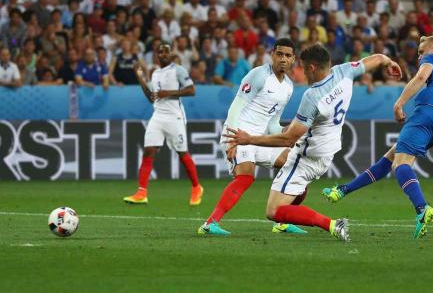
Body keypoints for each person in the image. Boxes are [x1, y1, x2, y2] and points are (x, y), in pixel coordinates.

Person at [224, 45, 402, 241]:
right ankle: (293, 224)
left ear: (312, 68)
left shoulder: (313, 96)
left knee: (273, 211)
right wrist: (389, 62)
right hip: (327, 154)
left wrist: (249, 139)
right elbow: (376, 59)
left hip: (306, 157)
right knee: (289, 198)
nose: (301, 72)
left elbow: (289, 139)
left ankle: (332, 224)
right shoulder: (345, 72)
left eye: (303, 67)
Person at [322, 35, 433, 239]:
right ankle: (343, 190)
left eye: (421, 52)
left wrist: (399, 103)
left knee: (400, 164)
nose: (419, 56)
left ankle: (422, 209)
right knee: (392, 157)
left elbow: (420, 77)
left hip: (429, 111)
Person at [199, 39, 304, 236]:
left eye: (287, 56)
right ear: (272, 54)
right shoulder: (258, 75)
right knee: (246, 177)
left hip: (259, 139)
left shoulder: (288, 87)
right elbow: (235, 109)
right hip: (239, 134)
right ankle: (210, 224)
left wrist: (287, 132)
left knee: (297, 168)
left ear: (293, 60)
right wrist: (232, 140)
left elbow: (273, 122)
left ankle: (283, 219)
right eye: (279, 54)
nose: (283, 59)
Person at [123, 44, 204, 206]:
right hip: (158, 115)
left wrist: (169, 93)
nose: (164, 54)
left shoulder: (178, 70)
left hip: (175, 117)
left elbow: (191, 90)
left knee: (182, 153)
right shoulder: (155, 74)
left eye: (167, 51)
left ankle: (196, 187)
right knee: (148, 151)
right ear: (157, 56)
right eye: (160, 52)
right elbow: (151, 97)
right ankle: (141, 192)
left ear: (171, 54)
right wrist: (139, 76)